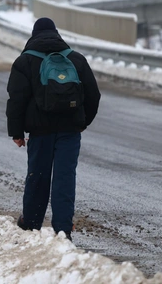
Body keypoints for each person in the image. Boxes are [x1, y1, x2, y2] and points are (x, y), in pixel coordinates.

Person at [6, 17, 101, 241]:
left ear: (33, 35)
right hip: (70, 132)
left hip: (40, 132)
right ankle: (62, 230)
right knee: (64, 179)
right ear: (56, 34)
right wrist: (82, 122)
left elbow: (16, 100)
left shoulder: (25, 61)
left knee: (37, 177)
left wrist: (17, 133)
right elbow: (93, 96)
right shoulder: (76, 60)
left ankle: (30, 224)